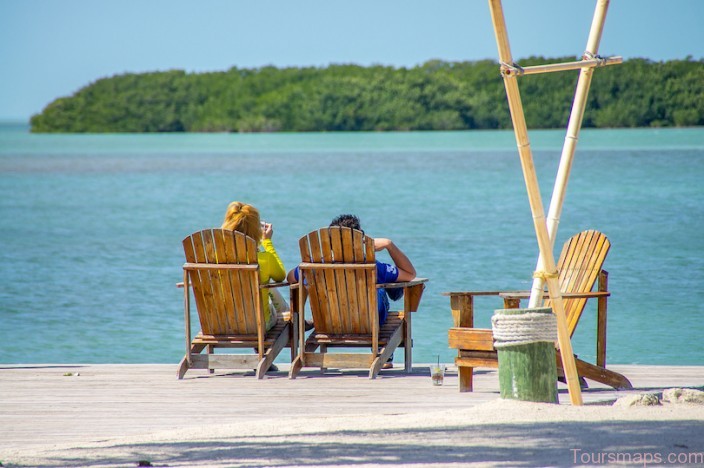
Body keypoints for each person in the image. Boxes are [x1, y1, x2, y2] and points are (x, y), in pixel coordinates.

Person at [287, 214, 416, 368]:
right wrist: (389, 245)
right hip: (367, 322)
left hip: (329, 322)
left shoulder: (314, 267)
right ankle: (383, 350)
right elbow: (410, 274)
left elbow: (290, 277)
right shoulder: (372, 266)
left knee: (382, 284)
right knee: (382, 288)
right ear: (359, 240)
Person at [221, 201, 288, 332]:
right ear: (255, 230)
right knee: (266, 284)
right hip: (259, 325)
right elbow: (280, 276)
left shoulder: (215, 259)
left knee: (262, 283)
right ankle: (296, 321)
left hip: (223, 324)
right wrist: (267, 242)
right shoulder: (263, 259)